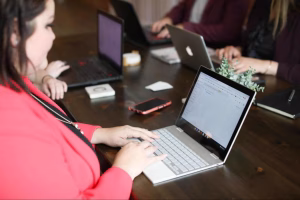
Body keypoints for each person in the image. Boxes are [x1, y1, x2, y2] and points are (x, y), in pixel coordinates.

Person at [0, 0, 166, 199]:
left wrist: (98, 134)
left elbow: (51, 129)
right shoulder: (9, 128)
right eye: (48, 25)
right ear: (15, 34)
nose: (53, 35)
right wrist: (124, 171)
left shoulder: (12, 83)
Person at [216, 0, 300, 85]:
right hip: (252, 78)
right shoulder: (262, 3)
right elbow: (256, 45)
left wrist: (265, 66)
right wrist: (238, 50)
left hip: (282, 88)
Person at [152, 0, 250, 47]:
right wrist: (169, 18)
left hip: (213, 50)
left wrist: (186, 28)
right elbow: (183, 6)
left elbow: (228, 32)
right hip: (185, 44)